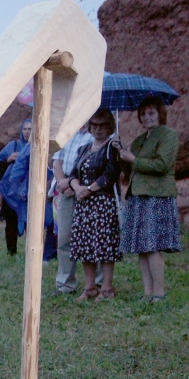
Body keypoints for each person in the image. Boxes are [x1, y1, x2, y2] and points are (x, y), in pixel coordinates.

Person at [118, 97, 181, 302]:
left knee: (153, 246)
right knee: (142, 248)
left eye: (151, 113)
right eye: (143, 114)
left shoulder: (168, 135)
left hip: (157, 196)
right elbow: (130, 170)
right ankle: (147, 293)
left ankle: (159, 293)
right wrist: (121, 153)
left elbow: (162, 165)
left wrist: (133, 159)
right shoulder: (139, 140)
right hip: (138, 197)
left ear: (160, 114)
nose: (147, 117)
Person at [65, 109, 122, 301]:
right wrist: (77, 187)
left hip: (103, 203)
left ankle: (107, 289)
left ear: (110, 127)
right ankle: (90, 287)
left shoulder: (112, 147)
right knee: (85, 245)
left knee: (105, 245)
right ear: (90, 127)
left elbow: (110, 175)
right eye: (94, 125)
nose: (98, 129)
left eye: (103, 125)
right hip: (84, 204)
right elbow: (73, 173)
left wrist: (88, 189)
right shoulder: (84, 148)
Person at [51, 124, 95, 294]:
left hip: (88, 190)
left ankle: (97, 283)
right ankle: (65, 283)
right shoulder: (66, 132)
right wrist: (64, 183)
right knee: (64, 237)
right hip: (66, 191)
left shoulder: (96, 133)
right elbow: (57, 162)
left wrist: (75, 185)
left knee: (93, 237)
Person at [0, 119, 32, 256]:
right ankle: (11, 252)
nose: (27, 132)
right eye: (25, 129)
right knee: (11, 222)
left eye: (30, 129)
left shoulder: (37, 147)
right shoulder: (13, 146)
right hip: (11, 192)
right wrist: (9, 159)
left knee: (31, 222)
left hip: (29, 191)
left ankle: (31, 252)